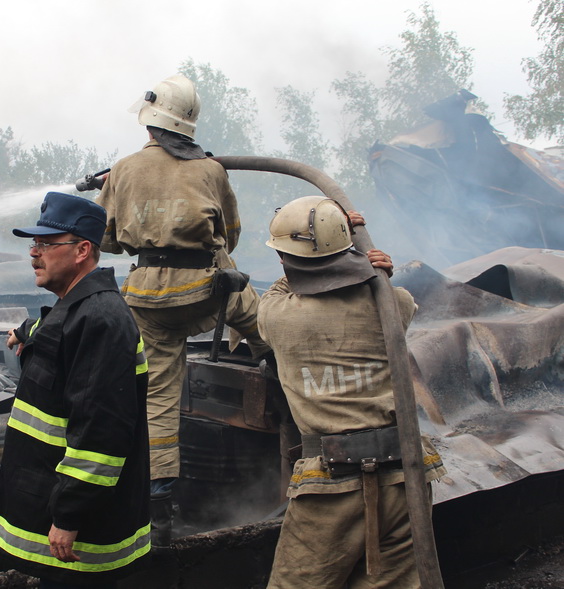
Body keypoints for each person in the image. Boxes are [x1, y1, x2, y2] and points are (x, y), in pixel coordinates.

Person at [95, 73, 272, 544]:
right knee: (264, 321)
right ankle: (272, 360)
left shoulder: (125, 168)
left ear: (149, 120)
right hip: (210, 289)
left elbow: (108, 240)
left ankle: (159, 500)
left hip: (149, 298)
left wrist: (124, 191)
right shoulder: (212, 171)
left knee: (157, 395)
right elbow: (229, 234)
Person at [256, 195, 447, 588]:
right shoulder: (393, 302)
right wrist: (363, 259)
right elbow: (383, 292)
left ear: (284, 259)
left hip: (330, 485)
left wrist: (332, 250)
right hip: (404, 478)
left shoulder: (278, 315)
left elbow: (286, 280)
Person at [0, 192, 151, 588]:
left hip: (79, 537)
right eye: (33, 244)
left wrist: (68, 515)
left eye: (45, 244)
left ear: (82, 250)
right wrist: (25, 334)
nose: (34, 254)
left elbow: (102, 432)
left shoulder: (101, 320)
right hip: (54, 506)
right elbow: (58, 338)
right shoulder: (75, 307)